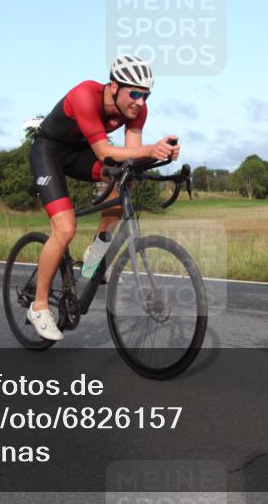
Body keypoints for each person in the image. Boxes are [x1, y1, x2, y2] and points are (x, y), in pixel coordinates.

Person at [27, 55, 180, 340]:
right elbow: (103, 153)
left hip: (78, 153)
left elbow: (130, 155)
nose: (140, 101)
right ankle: (38, 306)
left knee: (125, 176)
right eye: (134, 93)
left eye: (146, 95)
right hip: (48, 152)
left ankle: (96, 251)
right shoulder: (85, 94)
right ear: (113, 86)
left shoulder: (138, 111)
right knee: (65, 228)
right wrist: (150, 150)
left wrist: (162, 155)